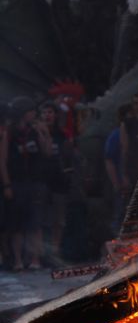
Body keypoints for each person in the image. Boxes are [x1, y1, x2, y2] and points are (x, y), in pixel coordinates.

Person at [0, 97, 52, 270]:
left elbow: (47, 152)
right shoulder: (9, 132)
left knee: (35, 223)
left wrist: (44, 133)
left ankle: (35, 259)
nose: (34, 115)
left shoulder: (34, 131)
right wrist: (7, 184)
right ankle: (17, 260)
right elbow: (3, 160)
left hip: (35, 182)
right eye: (31, 111)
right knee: (17, 224)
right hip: (17, 182)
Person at [39, 100, 72, 264]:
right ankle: (41, 253)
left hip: (59, 180)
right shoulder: (36, 132)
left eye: (50, 112)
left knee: (59, 220)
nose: (47, 115)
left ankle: (55, 251)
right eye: (44, 112)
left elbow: (68, 154)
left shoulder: (62, 134)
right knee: (42, 218)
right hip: (41, 180)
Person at [104, 104, 132, 235]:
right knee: (121, 217)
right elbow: (109, 161)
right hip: (122, 184)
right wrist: (117, 183)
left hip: (133, 181)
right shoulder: (115, 136)